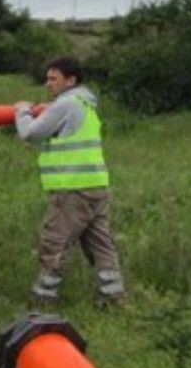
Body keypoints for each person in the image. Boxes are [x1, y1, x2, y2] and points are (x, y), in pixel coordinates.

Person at [14, 56, 126, 306]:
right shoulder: (86, 103)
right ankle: (113, 297)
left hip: (72, 188)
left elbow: (30, 133)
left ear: (71, 80)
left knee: (55, 242)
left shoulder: (65, 104)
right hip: (95, 185)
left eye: (53, 78)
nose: (47, 83)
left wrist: (21, 111)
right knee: (100, 244)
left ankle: (42, 300)